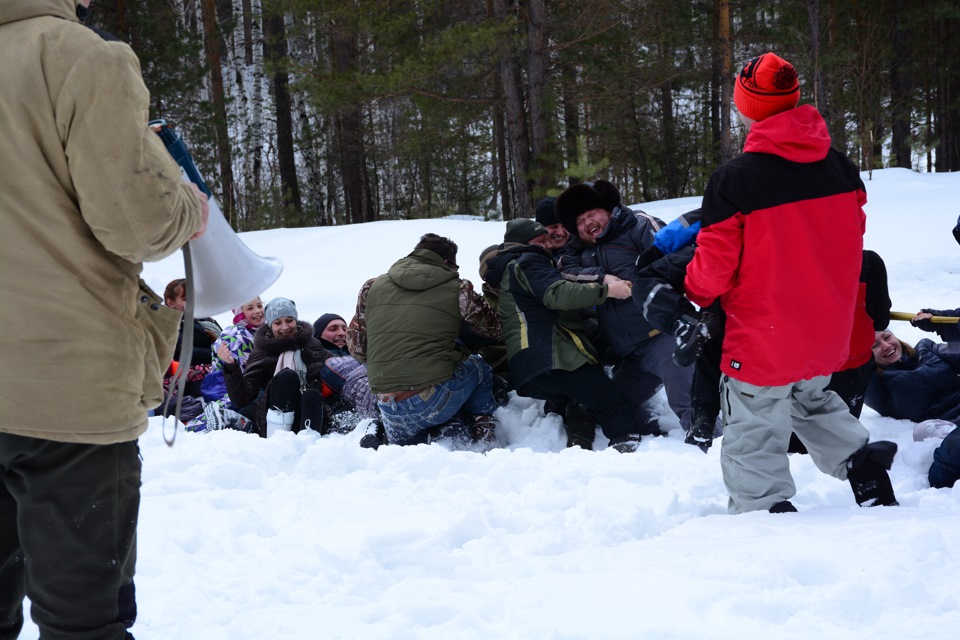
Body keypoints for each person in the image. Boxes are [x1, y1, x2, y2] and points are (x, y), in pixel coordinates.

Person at [0, 0, 208, 636]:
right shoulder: (81, 57)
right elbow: (135, 221)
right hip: (65, 391)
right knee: (84, 621)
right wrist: (188, 205)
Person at [683, 51, 897, 513]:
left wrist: (692, 291)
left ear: (748, 106)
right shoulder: (840, 167)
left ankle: (766, 518)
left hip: (763, 333)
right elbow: (848, 245)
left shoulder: (735, 180)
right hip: (824, 328)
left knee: (754, 425)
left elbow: (712, 272)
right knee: (810, 397)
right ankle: (865, 467)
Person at [483, 218, 649, 452]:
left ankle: (569, 425)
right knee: (614, 403)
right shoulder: (529, 260)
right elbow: (557, 294)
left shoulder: (510, 269)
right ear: (523, 242)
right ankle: (627, 445)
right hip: (554, 358)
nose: (548, 245)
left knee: (584, 396)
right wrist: (608, 290)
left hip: (531, 367)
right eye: (541, 241)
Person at [555, 179, 695, 435]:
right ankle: (656, 430)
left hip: (665, 338)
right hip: (631, 355)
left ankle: (713, 453)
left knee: (690, 407)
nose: (589, 223)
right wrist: (603, 279)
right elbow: (564, 272)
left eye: (591, 214)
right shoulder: (578, 251)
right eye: (580, 221)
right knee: (612, 406)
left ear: (607, 208)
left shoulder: (638, 225)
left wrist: (643, 280)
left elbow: (676, 257)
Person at [348, 233, 502, 447]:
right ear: (447, 263)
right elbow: (494, 330)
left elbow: (357, 349)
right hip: (433, 401)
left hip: (386, 405)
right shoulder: (458, 287)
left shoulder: (371, 287)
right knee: (478, 366)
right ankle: (486, 432)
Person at [220, 298, 331, 437]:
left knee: (312, 392)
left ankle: (309, 441)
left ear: (296, 320)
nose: (284, 327)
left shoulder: (313, 345)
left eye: (289, 320)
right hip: (274, 414)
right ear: (270, 325)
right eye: (278, 323)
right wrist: (231, 367)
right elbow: (243, 399)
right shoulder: (261, 353)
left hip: (308, 413)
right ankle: (278, 439)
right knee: (287, 376)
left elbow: (334, 368)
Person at [184, 297, 266, 433]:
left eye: (259, 306)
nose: (257, 311)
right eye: (250, 308)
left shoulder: (264, 331)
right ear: (240, 312)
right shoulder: (236, 335)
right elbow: (240, 377)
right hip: (234, 391)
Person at [865, 329, 960, 428]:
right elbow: (853, 368)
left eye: (887, 337)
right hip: (945, 428)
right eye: (875, 346)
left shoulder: (925, 348)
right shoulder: (876, 383)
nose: (886, 346)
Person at [163, 278, 222, 397]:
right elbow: (181, 352)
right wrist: (215, 352)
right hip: (192, 382)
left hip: (213, 372)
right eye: (185, 299)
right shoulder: (170, 324)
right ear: (171, 303)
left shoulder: (199, 317)